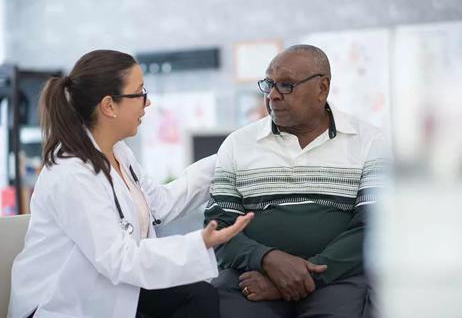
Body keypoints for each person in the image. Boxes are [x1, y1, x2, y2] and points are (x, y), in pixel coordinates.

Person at [8, 50, 254, 318]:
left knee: (200, 295)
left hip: (105, 288)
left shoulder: (118, 152)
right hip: (62, 304)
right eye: (140, 93)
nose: (147, 103)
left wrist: (228, 159)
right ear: (109, 106)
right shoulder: (70, 173)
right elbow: (118, 258)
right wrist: (199, 243)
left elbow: (160, 204)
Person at [204, 45, 388, 318]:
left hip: (336, 278)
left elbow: (374, 227)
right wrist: (267, 259)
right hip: (251, 278)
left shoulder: (369, 142)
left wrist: (306, 276)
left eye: (286, 85)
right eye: (269, 84)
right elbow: (219, 227)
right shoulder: (238, 143)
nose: (273, 95)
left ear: (322, 88)